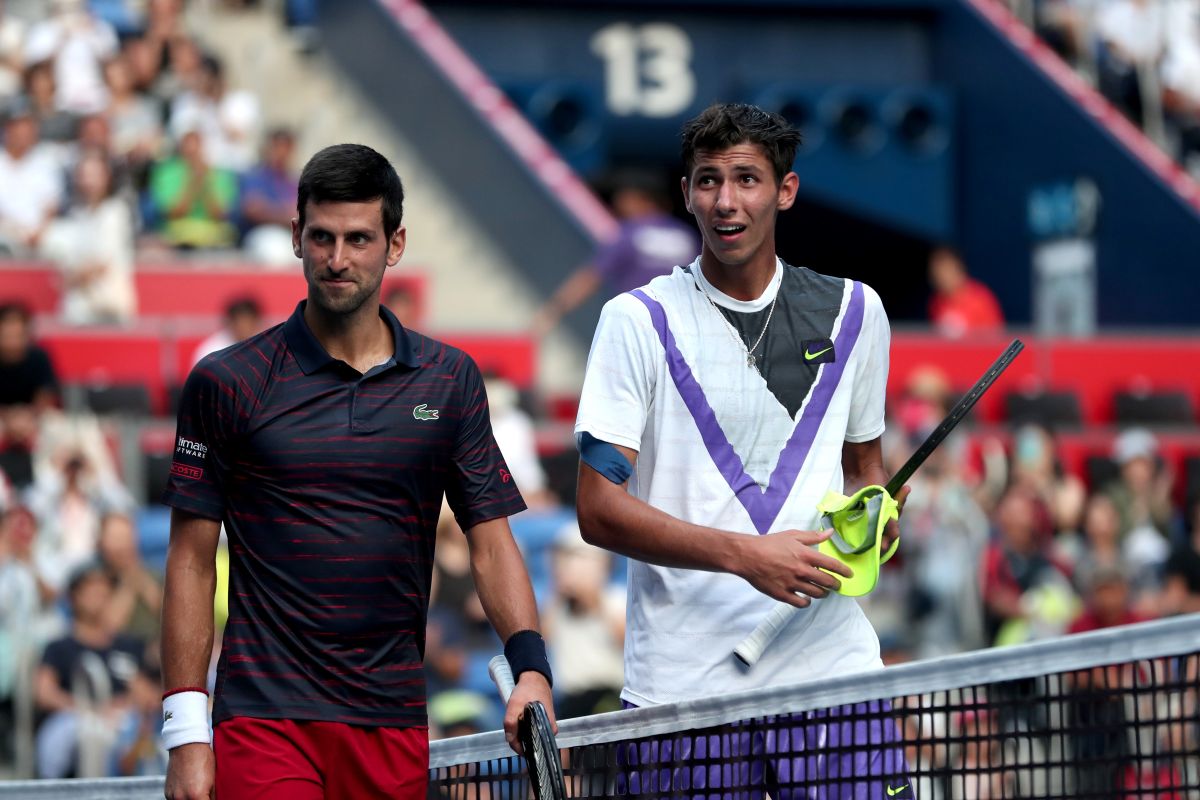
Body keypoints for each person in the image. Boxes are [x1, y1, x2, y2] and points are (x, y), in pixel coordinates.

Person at [160, 143, 553, 800]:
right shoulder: (226, 382)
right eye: (322, 237)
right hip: (264, 718)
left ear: (394, 245)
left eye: (358, 239)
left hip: (392, 720)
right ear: (295, 238)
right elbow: (191, 561)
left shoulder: (451, 380)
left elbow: (490, 541)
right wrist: (185, 731)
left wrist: (532, 670)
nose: (337, 259)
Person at [574, 103, 911, 795]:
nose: (725, 201)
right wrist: (745, 556)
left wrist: (874, 521)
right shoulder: (636, 322)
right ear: (686, 193)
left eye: (747, 179)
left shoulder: (856, 311)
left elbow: (864, 470)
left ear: (785, 191)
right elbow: (597, 510)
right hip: (683, 691)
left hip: (831, 676)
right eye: (707, 181)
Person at [531, 168, 698, 336]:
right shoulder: (687, 235)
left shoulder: (630, 232)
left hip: (635, 325)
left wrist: (553, 310)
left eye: (623, 196)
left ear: (641, 199)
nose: (616, 202)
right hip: (680, 328)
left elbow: (590, 278)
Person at [927, 245, 1004, 338]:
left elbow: (995, 338)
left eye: (947, 271)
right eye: (937, 274)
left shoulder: (980, 299)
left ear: (959, 269)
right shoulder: (936, 303)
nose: (943, 278)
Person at [190, 295, 263, 367]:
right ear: (230, 322)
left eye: (248, 322)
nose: (244, 328)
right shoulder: (209, 351)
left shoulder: (266, 347)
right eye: (240, 322)